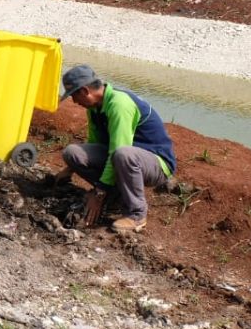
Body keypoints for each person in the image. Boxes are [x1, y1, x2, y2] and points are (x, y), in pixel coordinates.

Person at [59, 64, 177, 234]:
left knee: (123, 154)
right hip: (124, 159)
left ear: (85, 91)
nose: (75, 102)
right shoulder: (94, 108)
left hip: (156, 164)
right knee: (73, 153)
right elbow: (94, 144)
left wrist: (98, 193)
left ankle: (137, 214)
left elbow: (118, 150)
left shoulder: (119, 105)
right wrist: (69, 169)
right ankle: (115, 196)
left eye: (74, 96)